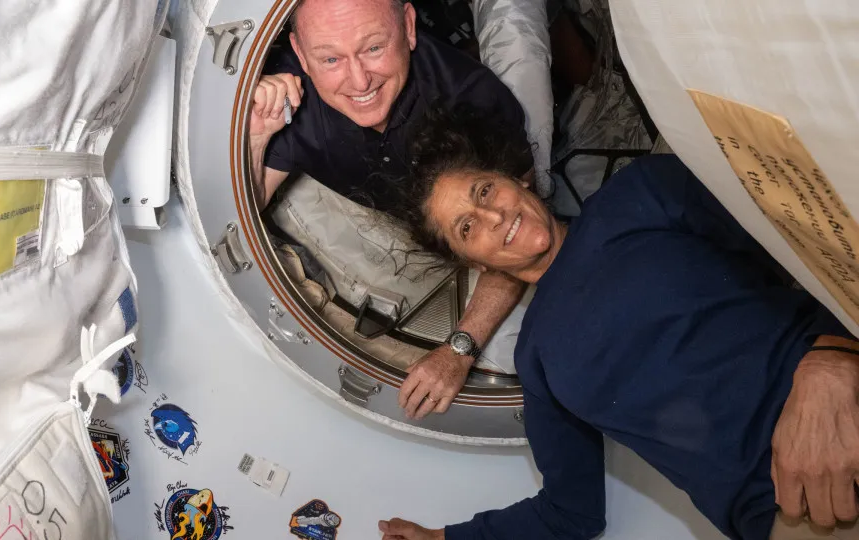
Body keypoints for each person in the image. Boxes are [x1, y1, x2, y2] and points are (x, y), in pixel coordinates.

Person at [376, 106, 859, 540]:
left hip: (842, 402)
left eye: (484, 190)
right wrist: (443, 538)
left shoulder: (639, 193)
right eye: (467, 227)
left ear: (517, 180)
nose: (493, 215)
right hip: (793, 513)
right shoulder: (537, 359)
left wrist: (833, 357)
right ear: (476, 264)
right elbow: (570, 514)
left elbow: (810, 244)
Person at [249, 0, 538, 417]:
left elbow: (520, 232)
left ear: (408, 26)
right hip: (389, 214)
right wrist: (258, 136)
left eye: (373, 48)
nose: (359, 80)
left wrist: (460, 349)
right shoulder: (287, 91)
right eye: (330, 59)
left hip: (472, 219)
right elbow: (248, 203)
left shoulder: (471, 99)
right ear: (300, 52)